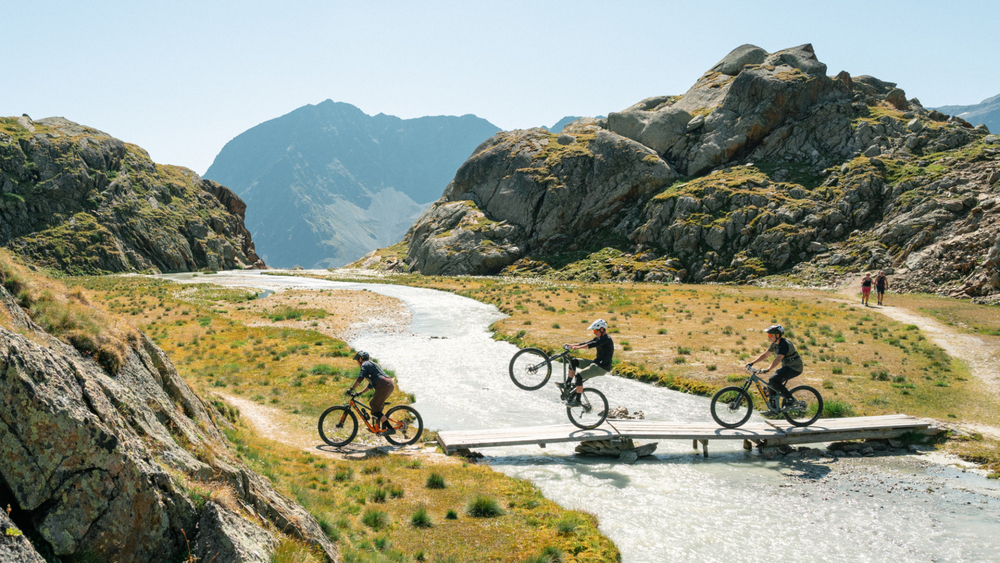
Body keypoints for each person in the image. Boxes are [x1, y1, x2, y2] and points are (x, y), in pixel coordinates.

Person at [746, 325, 804, 410]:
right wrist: (752, 363)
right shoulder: (774, 344)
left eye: (770, 335)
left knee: (773, 380)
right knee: (771, 385)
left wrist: (768, 369)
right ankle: (773, 410)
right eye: (768, 335)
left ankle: (790, 400)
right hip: (787, 366)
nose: (769, 337)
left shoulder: (784, 344)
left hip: (795, 367)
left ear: (777, 335)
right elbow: (766, 354)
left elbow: (778, 359)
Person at [562, 319, 614, 406]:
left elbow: (592, 345)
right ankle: (568, 384)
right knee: (573, 361)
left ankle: (578, 401)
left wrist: (578, 348)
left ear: (601, 329)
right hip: (596, 363)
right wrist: (571, 345)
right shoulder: (599, 337)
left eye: (595, 331)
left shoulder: (606, 339)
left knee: (579, 376)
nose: (594, 333)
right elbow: (587, 342)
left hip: (601, 367)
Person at [345, 350, 396, 435]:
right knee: (372, 404)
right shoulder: (371, 364)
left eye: (357, 360)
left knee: (375, 411)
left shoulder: (365, 364)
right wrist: (359, 393)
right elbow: (370, 385)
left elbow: (360, 378)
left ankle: (390, 429)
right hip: (388, 384)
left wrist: (351, 389)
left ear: (361, 359)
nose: (358, 363)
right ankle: (376, 428)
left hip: (384, 385)